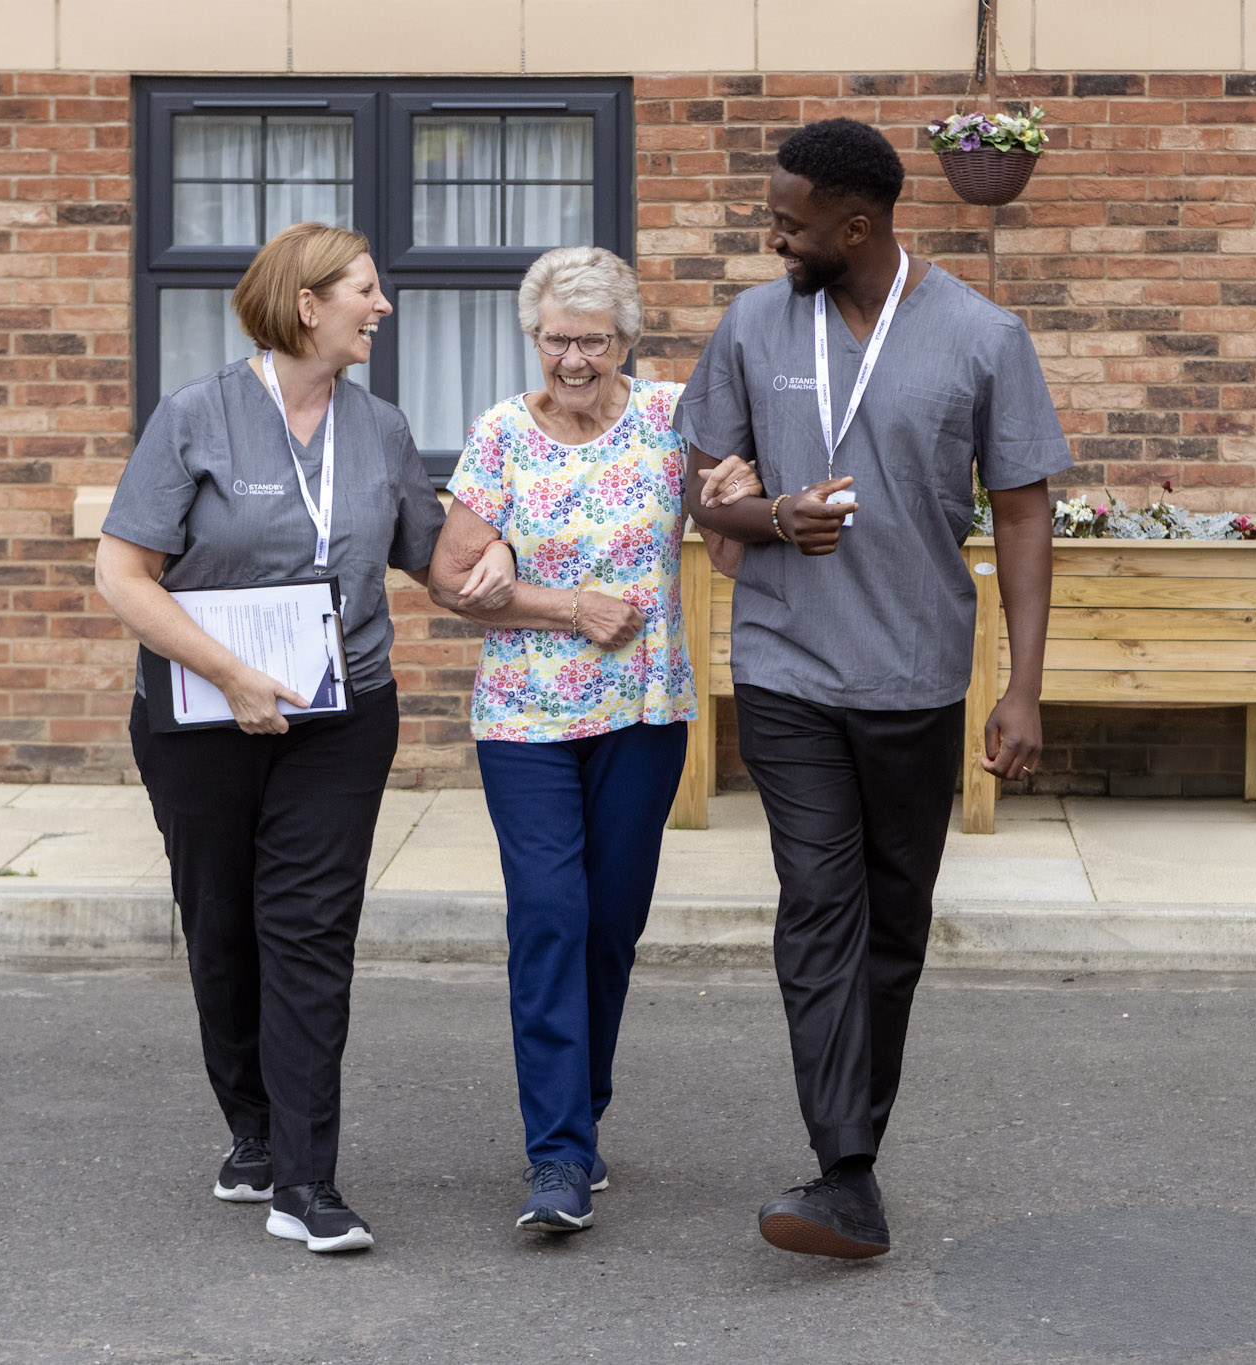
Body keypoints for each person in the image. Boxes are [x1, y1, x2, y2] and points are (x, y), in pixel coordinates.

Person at [677, 119, 1069, 1259]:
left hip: (914, 671)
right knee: (817, 906)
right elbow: (702, 489)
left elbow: (1023, 510)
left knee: (891, 925)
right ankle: (841, 1171)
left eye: (788, 221)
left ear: (856, 226)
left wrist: (1023, 688)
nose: (771, 234)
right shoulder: (754, 323)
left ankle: (853, 1159)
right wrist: (761, 515)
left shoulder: (981, 337)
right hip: (787, 664)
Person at [95, 223, 471, 1255]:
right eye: (365, 289)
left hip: (339, 716)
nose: (381, 308)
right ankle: (252, 1131)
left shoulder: (381, 430)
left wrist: (514, 548)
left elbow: (434, 557)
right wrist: (227, 672)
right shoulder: (196, 419)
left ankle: (306, 1181)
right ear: (308, 304)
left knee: (308, 932)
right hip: (205, 718)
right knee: (223, 927)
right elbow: (123, 574)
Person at [428, 245, 760, 1234]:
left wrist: (736, 493)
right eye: (556, 339)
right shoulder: (500, 436)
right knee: (547, 921)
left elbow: (735, 551)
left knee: (608, 928)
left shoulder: (668, 420)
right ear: (534, 338)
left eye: (593, 340)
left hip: (645, 715)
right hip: (527, 721)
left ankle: (584, 1110)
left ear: (626, 340)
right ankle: (557, 1157)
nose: (573, 358)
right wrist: (559, 603)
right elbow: (452, 581)